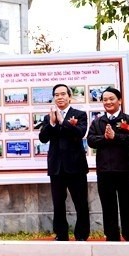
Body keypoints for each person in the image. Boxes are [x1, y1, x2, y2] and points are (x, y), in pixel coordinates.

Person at [86, 87, 129, 242]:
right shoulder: (98, 122)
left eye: (111, 99)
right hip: (105, 171)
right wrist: (105, 138)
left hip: (125, 170)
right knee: (108, 206)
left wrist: (116, 136)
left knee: (128, 205)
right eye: (105, 99)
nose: (108, 102)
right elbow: (91, 140)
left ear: (120, 100)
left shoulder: (128, 120)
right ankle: (111, 237)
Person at [38, 84, 89, 241]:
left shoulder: (79, 114)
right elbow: (43, 138)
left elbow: (79, 133)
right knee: (58, 203)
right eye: (56, 95)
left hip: (76, 166)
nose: (59, 97)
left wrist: (63, 122)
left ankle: (81, 234)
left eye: (62, 94)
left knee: (80, 202)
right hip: (56, 167)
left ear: (69, 96)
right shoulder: (48, 117)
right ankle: (61, 234)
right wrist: (52, 123)